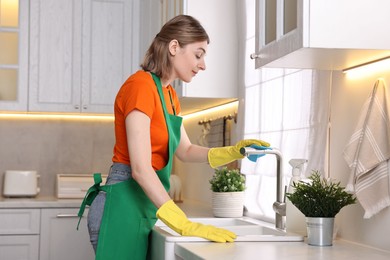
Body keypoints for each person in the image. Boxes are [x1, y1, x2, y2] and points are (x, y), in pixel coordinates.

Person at [78, 14, 270, 260]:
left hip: (144, 205)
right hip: (122, 206)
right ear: (174, 47)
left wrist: (234, 151)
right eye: (198, 55)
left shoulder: (169, 96)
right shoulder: (140, 86)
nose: (203, 65)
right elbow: (140, 169)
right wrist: (182, 221)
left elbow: (185, 150)